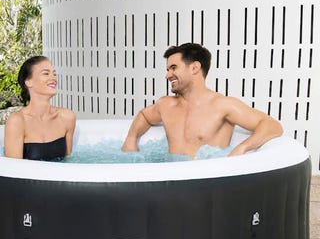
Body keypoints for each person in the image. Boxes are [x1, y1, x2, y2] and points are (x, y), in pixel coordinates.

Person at [121, 43, 283, 158]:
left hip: (206, 184)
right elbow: (144, 116)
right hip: (171, 180)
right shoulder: (165, 105)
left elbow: (272, 125)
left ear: (195, 68)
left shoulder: (222, 105)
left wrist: (243, 147)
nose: (168, 75)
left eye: (173, 68)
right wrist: (131, 139)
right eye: (168, 69)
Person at [4, 56, 76, 161]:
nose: (53, 78)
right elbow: (13, 168)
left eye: (54, 74)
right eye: (46, 73)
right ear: (28, 82)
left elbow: (68, 161)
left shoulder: (67, 117)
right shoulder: (17, 121)